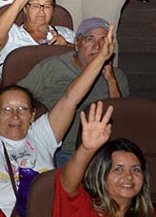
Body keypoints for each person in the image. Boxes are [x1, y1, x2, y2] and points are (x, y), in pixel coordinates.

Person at [0, 12, 114, 217]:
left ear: (32, 116)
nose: (15, 115)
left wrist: (101, 58)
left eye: (22, 109)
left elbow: (70, 98)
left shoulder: (41, 134)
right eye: (7, 109)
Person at [54, 101, 156, 217]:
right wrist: (86, 150)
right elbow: (67, 184)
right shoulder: (82, 211)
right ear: (101, 175)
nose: (128, 176)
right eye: (118, 169)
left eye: (135, 170)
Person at [19, 17, 128, 165]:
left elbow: (121, 118)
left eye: (103, 40)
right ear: (76, 44)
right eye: (90, 39)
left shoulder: (116, 76)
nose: (97, 46)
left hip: (99, 153)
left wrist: (111, 80)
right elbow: (18, 97)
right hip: (55, 150)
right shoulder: (53, 66)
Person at [0, 0, 75, 74]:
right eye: (35, 5)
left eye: (47, 6)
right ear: (25, 8)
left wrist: (67, 47)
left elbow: (87, 55)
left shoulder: (65, 34)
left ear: (53, 10)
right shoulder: (13, 33)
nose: (41, 10)